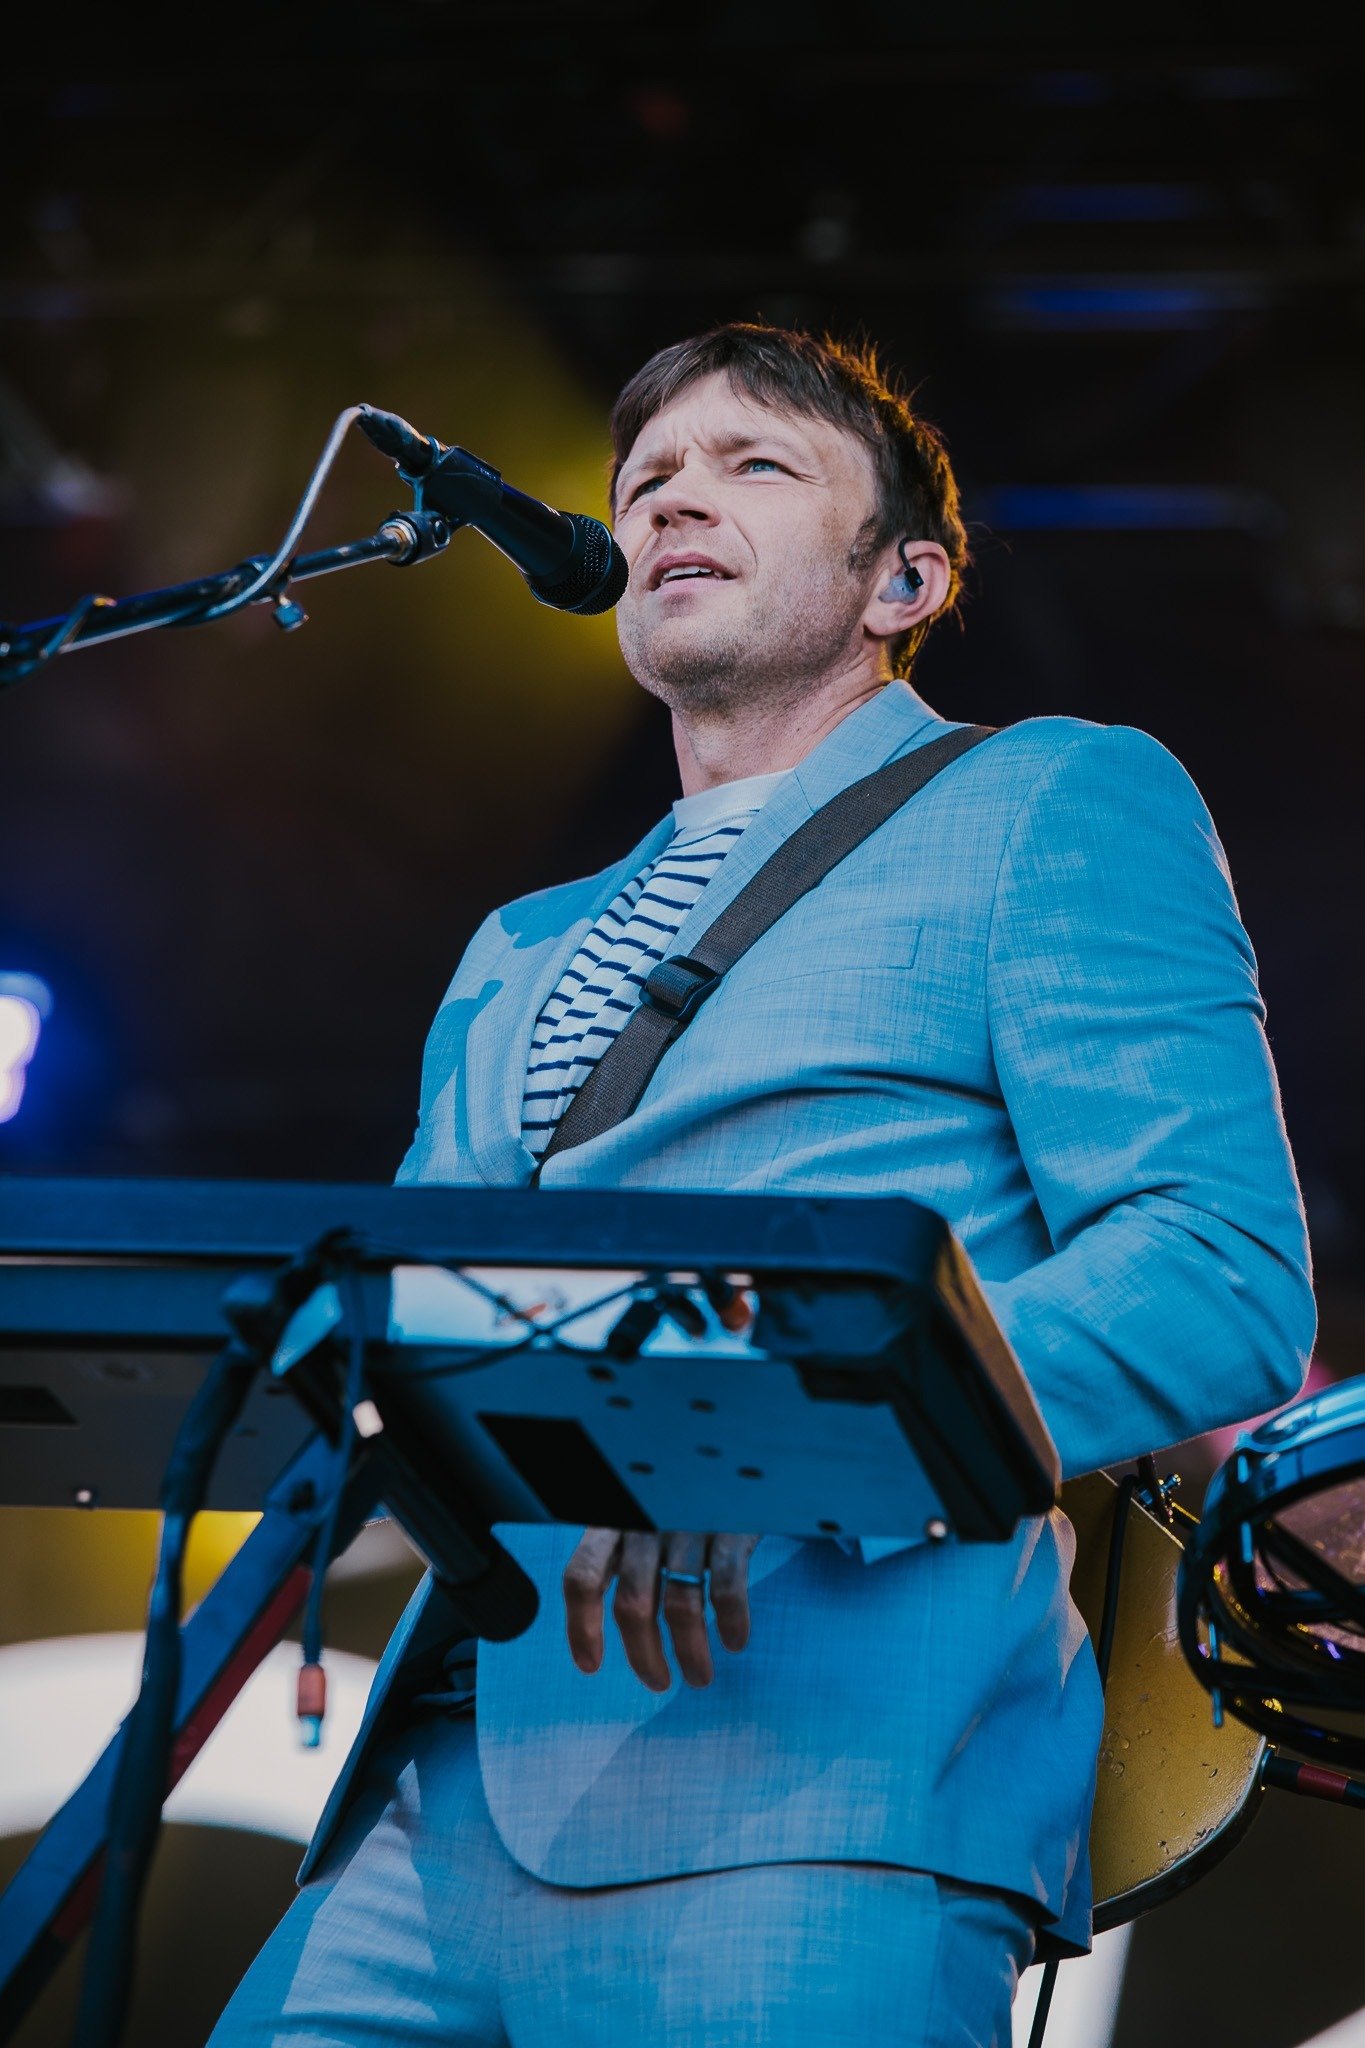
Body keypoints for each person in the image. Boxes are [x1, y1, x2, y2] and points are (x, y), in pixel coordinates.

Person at [211, 324, 1314, 2047]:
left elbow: (1211, 1272)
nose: (671, 501)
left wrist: (762, 1439)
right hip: (432, 1796)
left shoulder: (1050, 796)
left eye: (752, 466)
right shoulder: (516, 945)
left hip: (822, 1787)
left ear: (902, 581)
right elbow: (416, 1328)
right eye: (645, 478)